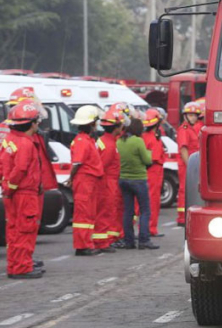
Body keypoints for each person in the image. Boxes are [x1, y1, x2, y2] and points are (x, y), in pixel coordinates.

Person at [0, 103, 44, 279]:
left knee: (14, 232)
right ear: (31, 123)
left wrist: (5, 186)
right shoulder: (25, 143)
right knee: (25, 231)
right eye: (37, 121)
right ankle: (22, 268)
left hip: (13, 194)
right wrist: (12, 187)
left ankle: (16, 265)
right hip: (24, 194)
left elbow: (1, 167)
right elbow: (21, 169)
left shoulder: (9, 140)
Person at [116, 118, 159, 250]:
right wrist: (149, 154)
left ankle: (128, 240)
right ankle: (144, 240)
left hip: (123, 179)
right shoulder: (138, 141)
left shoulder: (119, 141)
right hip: (139, 179)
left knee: (128, 211)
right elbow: (147, 160)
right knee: (145, 210)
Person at [67, 105, 105, 256]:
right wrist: (71, 178)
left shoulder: (86, 140)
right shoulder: (83, 141)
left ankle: (86, 243)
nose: (97, 125)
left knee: (88, 213)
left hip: (89, 181)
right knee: (83, 214)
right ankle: (83, 245)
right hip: (85, 181)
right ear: (91, 124)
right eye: (95, 122)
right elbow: (77, 163)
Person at [94, 108, 126, 251]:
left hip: (108, 181)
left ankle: (105, 239)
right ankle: (102, 242)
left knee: (106, 211)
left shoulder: (104, 141)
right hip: (107, 182)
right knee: (106, 211)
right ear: (116, 128)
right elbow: (103, 166)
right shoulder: (109, 145)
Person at [142, 108, 165, 238]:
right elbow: (153, 159)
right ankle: (151, 228)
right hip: (154, 172)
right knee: (153, 201)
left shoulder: (144, 137)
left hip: (147, 172)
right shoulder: (153, 139)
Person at [176, 102, 200, 226]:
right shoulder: (184, 129)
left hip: (191, 163)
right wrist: (190, 166)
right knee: (184, 190)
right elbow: (183, 149)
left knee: (189, 190)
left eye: (195, 115)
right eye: (190, 115)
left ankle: (186, 216)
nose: (193, 118)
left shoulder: (191, 129)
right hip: (186, 164)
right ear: (185, 116)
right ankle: (181, 218)